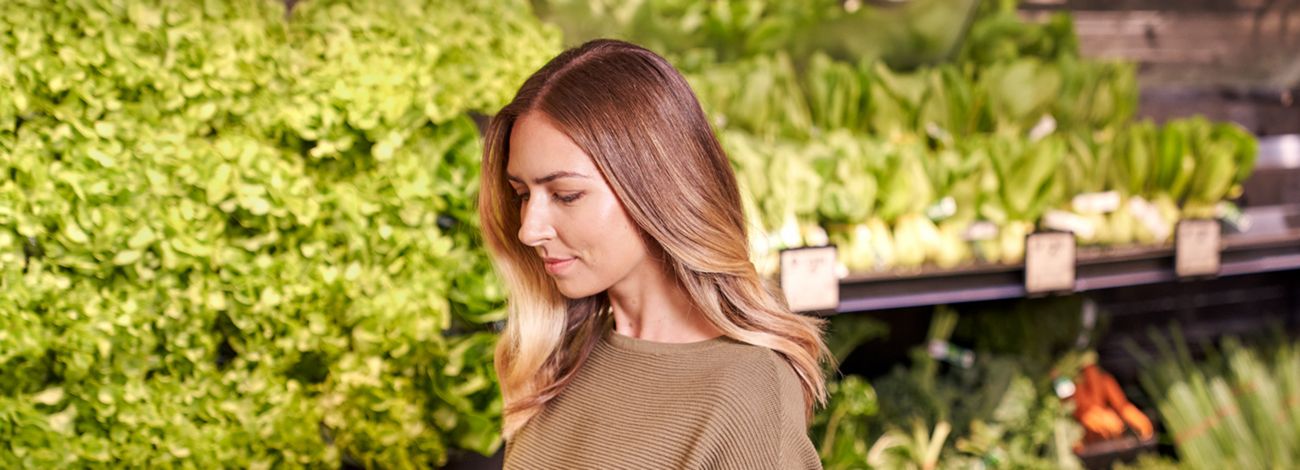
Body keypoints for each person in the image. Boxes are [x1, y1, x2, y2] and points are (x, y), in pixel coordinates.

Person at [478, 38, 832, 469]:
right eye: (521, 194)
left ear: (654, 188)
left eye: (566, 195)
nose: (529, 229)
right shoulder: (556, 358)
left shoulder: (745, 390)